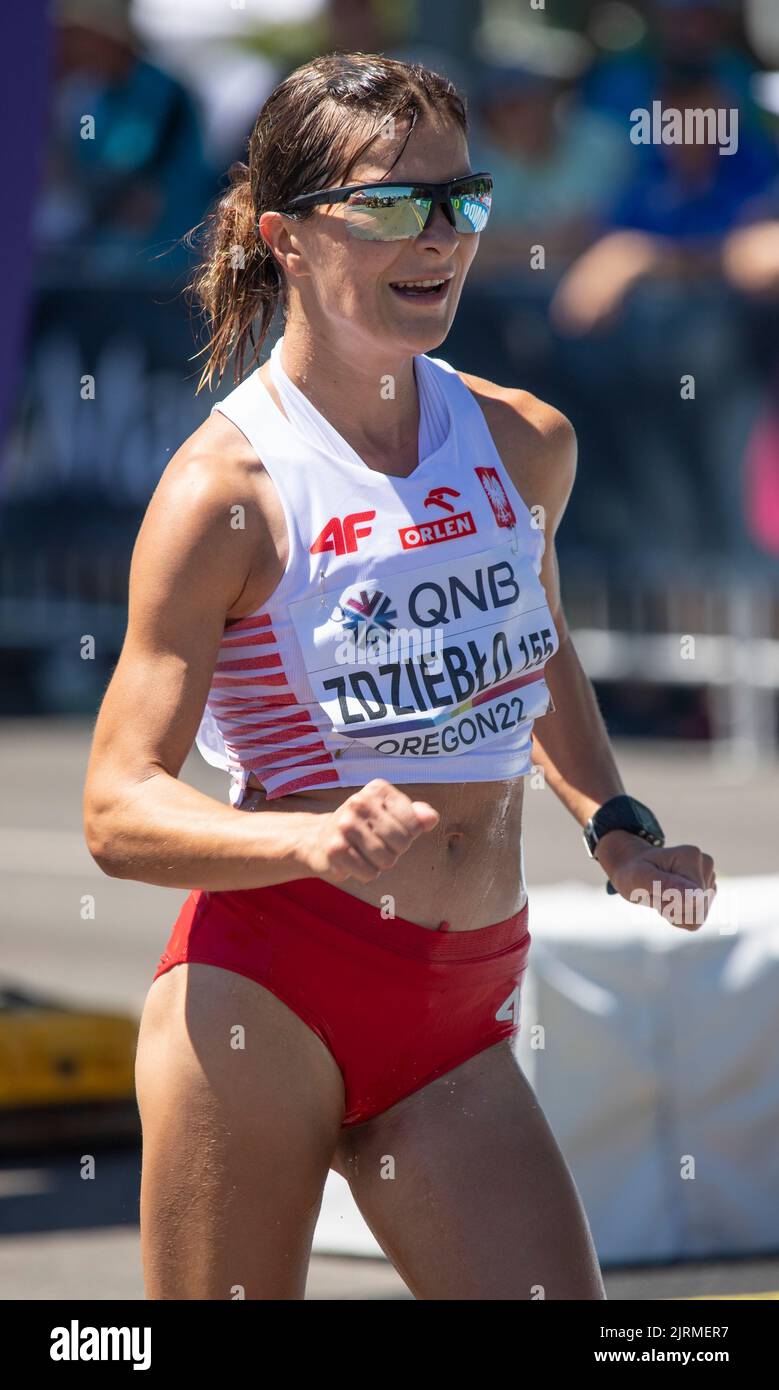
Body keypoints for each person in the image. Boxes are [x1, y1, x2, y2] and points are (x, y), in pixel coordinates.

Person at [83, 52, 717, 1301]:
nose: (437, 238)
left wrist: (618, 827)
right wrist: (308, 842)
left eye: (458, 200)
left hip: (457, 1016)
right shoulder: (227, 492)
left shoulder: (523, 441)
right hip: (264, 995)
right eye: (388, 206)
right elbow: (114, 804)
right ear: (286, 238)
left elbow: (536, 659)